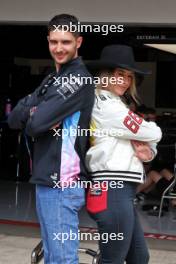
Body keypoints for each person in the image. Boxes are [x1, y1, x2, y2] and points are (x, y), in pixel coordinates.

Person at [8, 14, 95, 264]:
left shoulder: (77, 78)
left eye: (66, 42)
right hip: (48, 182)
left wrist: (35, 114)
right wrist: (35, 113)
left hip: (62, 184)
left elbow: (34, 125)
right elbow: (15, 117)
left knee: (61, 260)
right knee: (52, 258)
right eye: (53, 41)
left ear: (78, 41)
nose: (59, 48)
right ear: (48, 41)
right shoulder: (52, 78)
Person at [85, 45, 162, 264]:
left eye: (129, 77)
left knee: (139, 257)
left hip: (122, 191)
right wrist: (153, 133)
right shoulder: (105, 104)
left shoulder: (117, 104)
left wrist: (148, 153)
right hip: (112, 188)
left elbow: (145, 146)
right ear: (106, 75)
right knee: (113, 259)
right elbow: (151, 131)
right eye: (120, 74)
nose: (126, 81)